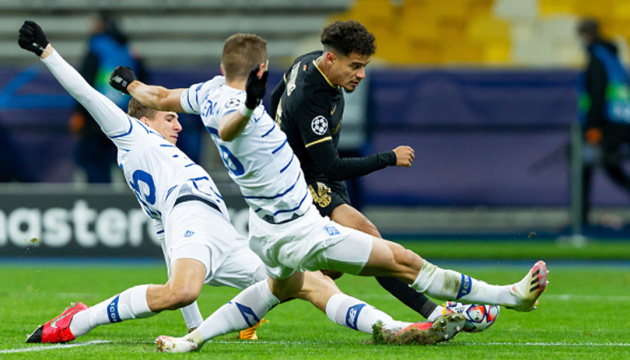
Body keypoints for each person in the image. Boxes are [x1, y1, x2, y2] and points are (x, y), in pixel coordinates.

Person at [111, 31, 549, 353]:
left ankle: (192, 340)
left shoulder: (206, 92)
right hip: (299, 224)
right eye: (355, 66)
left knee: (279, 290)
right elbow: (231, 128)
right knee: (399, 258)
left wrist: (130, 85)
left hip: (264, 230)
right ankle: (508, 297)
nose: (359, 74)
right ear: (261, 69)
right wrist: (249, 106)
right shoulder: (248, 112)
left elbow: (162, 94)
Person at [18, 20, 268, 344]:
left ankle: (244, 316)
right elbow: (87, 94)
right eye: (170, 117)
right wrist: (46, 51)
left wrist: (195, 327)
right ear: (145, 120)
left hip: (217, 229)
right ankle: (81, 320)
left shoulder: (162, 161)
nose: (178, 125)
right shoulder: (134, 134)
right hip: (195, 216)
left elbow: (169, 248)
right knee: (183, 289)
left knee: (283, 280)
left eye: (177, 117)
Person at [269, 20, 448, 322]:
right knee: (370, 238)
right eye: (354, 66)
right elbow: (333, 166)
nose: (361, 75)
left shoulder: (305, 62)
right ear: (331, 59)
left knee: (330, 268)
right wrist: (389, 158)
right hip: (304, 180)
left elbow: (275, 98)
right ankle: (435, 312)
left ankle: (266, 293)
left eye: (364, 66)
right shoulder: (311, 100)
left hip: (320, 174)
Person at [68, 11, 146, 183]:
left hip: (96, 116)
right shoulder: (129, 49)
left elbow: (84, 82)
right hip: (125, 115)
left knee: (92, 162)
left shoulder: (96, 46)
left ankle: (99, 201)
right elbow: (144, 83)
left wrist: (78, 113)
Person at [577, 18, 630, 227]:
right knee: (610, 163)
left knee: (582, 163)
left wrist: (592, 128)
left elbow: (598, 95)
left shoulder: (597, 59)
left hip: (607, 124)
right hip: (623, 120)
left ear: (584, 36)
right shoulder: (614, 58)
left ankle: (579, 222)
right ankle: (580, 218)